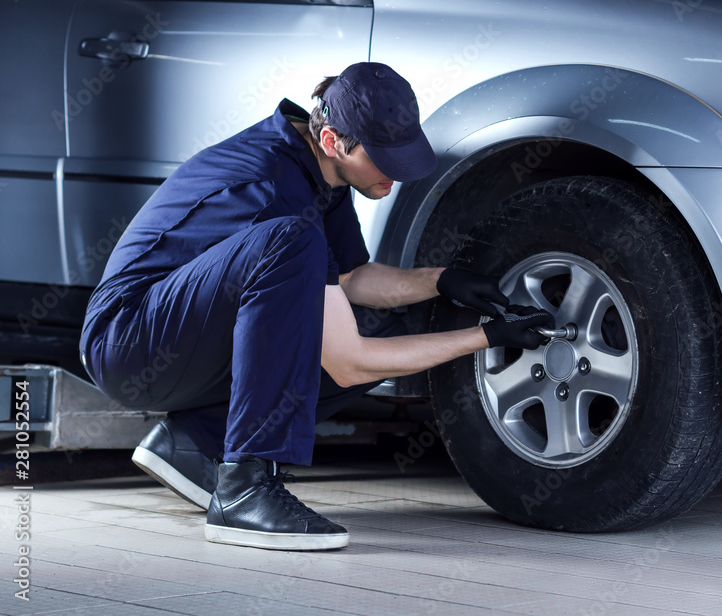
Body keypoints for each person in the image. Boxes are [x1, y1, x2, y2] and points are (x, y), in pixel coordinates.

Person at [79, 62, 553, 551]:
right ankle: (244, 489)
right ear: (332, 140)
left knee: (383, 323)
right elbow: (349, 362)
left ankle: (196, 442)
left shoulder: (318, 171)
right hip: (129, 339)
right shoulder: (271, 189)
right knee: (297, 246)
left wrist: (442, 281)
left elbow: (349, 279)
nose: (397, 173)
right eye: (384, 158)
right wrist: (485, 338)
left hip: (183, 334)